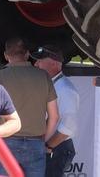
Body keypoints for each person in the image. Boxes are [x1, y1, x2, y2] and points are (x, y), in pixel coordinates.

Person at [0, 37, 58, 177]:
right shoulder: (43, 76)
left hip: (6, 142)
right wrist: (43, 140)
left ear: (6, 55)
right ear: (27, 54)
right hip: (36, 143)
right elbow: (55, 116)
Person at [33, 45, 79, 177]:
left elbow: (69, 127)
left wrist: (48, 146)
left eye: (40, 61)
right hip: (51, 146)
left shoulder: (65, 89)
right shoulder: (53, 85)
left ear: (53, 64)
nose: (36, 64)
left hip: (57, 147)